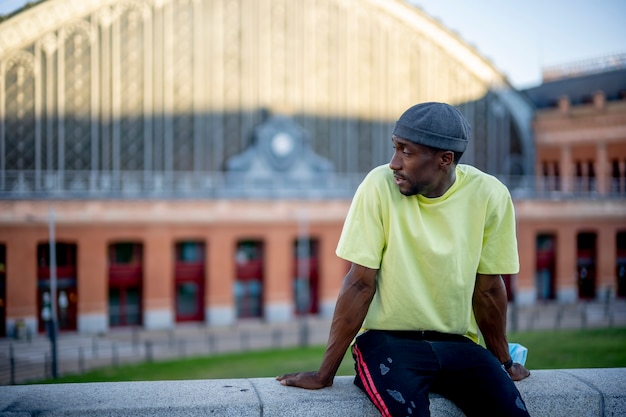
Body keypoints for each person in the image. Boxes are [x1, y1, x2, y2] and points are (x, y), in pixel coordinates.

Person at [276, 102, 531, 416]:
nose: (394, 163)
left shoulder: (491, 195)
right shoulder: (378, 185)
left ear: (444, 159)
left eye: (406, 152)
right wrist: (324, 374)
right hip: (387, 344)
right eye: (395, 148)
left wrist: (504, 362)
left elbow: (489, 290)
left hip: (458, 344)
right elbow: (359, 285)